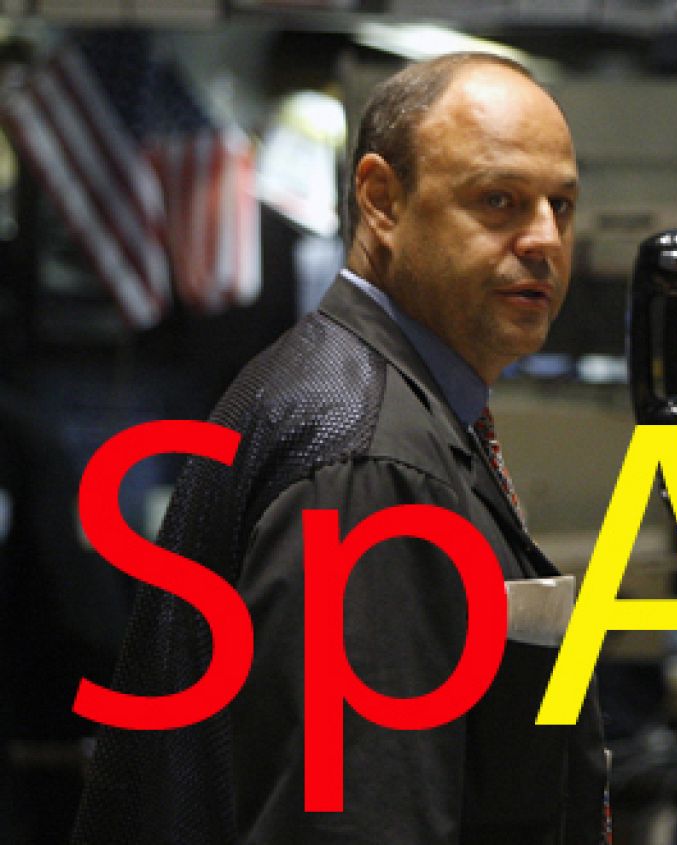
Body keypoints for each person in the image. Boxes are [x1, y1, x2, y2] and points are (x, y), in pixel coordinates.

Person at [73, 53, 608, 842]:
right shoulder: (368, 465)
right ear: (381, 200)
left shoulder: (360, 398)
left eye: (560, 205)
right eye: (498, 200)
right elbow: (355, 822)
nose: (544, 239)